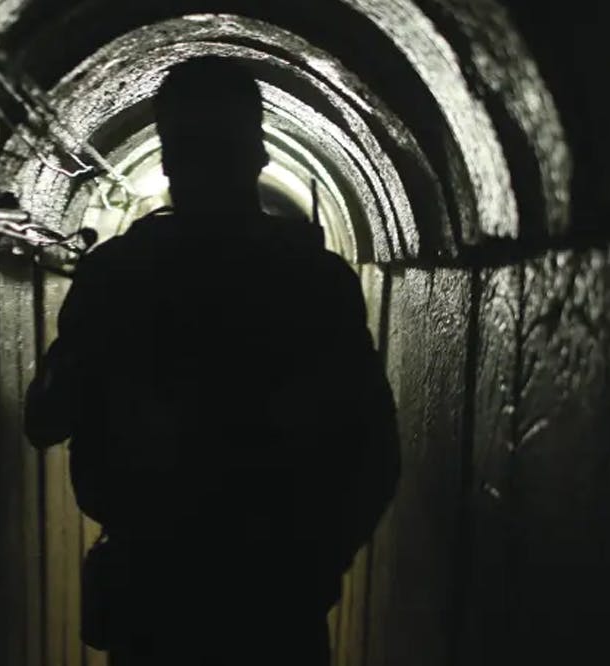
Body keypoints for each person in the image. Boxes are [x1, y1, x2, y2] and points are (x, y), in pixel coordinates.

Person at [25, 56, 400, 666]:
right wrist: (315, 565)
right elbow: (374, 453)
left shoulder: (118, 275)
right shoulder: (313, 280)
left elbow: (45, 418)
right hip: (276, 606)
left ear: (168, 159)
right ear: (259, 155)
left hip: (156, 602)